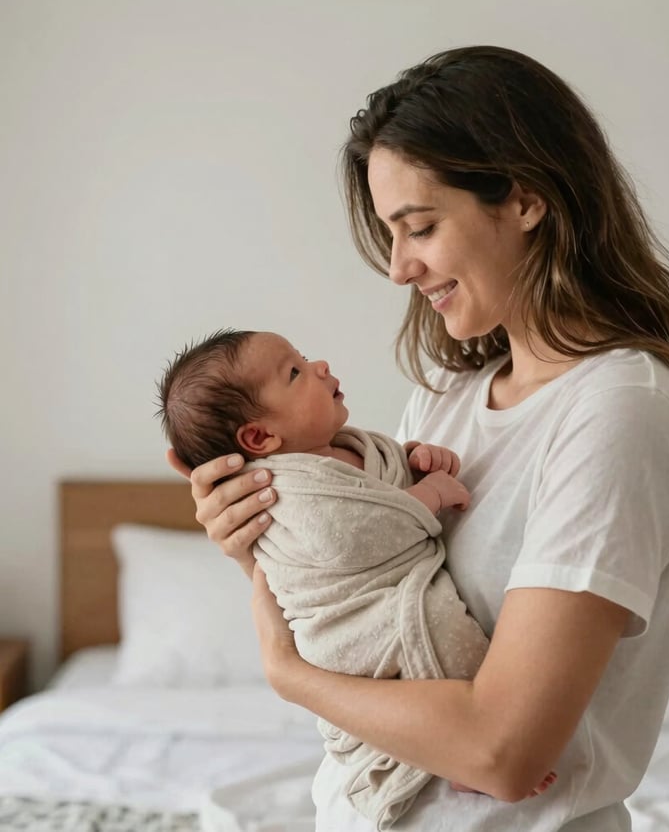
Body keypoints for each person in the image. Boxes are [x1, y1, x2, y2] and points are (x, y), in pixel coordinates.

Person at [167, 46, 669, 831]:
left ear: (525, 199)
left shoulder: (619, 411)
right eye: (391, 235)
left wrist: (286, 674)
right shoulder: (446, 402)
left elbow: (505, 754)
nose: (399, 268)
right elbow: (364, 612)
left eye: (420, 227)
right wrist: (262, 543)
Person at [157, 328, 556, 829]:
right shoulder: (284, 491)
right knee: (448, 640)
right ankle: (462, 760)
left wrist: (417, 461)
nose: (319, 364)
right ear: (260, 439)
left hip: (395, 599)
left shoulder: (342, 448)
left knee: (454, 648)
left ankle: (473, 752)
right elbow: (355, 535)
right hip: (354, 625)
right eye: (295, 372)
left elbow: (383, 486)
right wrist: (429, 493)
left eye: (302, 357)